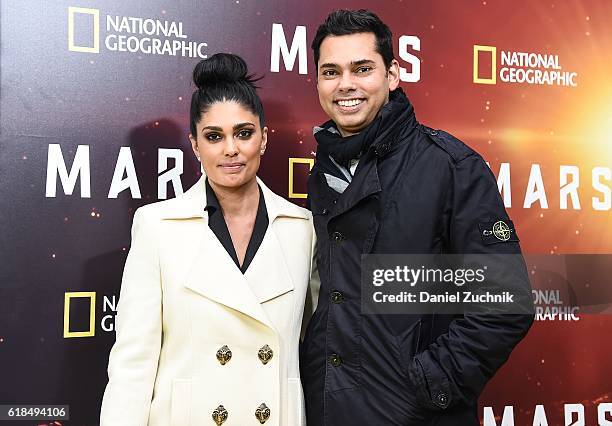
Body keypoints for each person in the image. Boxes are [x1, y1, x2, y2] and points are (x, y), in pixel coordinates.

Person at [300, 9, 534, 426]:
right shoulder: (324, 169)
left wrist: (429, 382)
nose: (345, 85)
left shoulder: (450, 165)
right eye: (330, 71)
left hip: (412, 414)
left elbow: (504, 303)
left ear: (392, 74)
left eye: (362, 69)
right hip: (329, 406)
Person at [100, 53, 314, 426]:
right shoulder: (157, 226)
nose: (230, 149)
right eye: (214, 136)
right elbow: (133, 364)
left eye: (244, 133)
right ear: (196, 145)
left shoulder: (301, 228)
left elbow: (313, 348)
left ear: (264, 139)